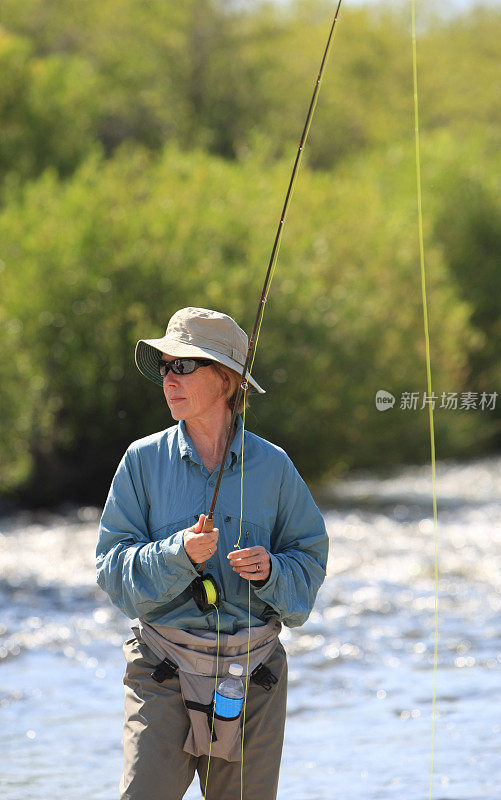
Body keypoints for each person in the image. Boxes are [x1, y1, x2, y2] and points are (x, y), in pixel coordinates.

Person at [96, 306, 328, 800]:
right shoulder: (141, 461)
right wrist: (176, 553)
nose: (168, 378)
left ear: (225, 379)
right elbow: (112, 571)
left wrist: (271, 571)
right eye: (164, 366)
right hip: (160, 669)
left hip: (255, 677)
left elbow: (308, 565)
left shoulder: (276, 467)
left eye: (182, 365)